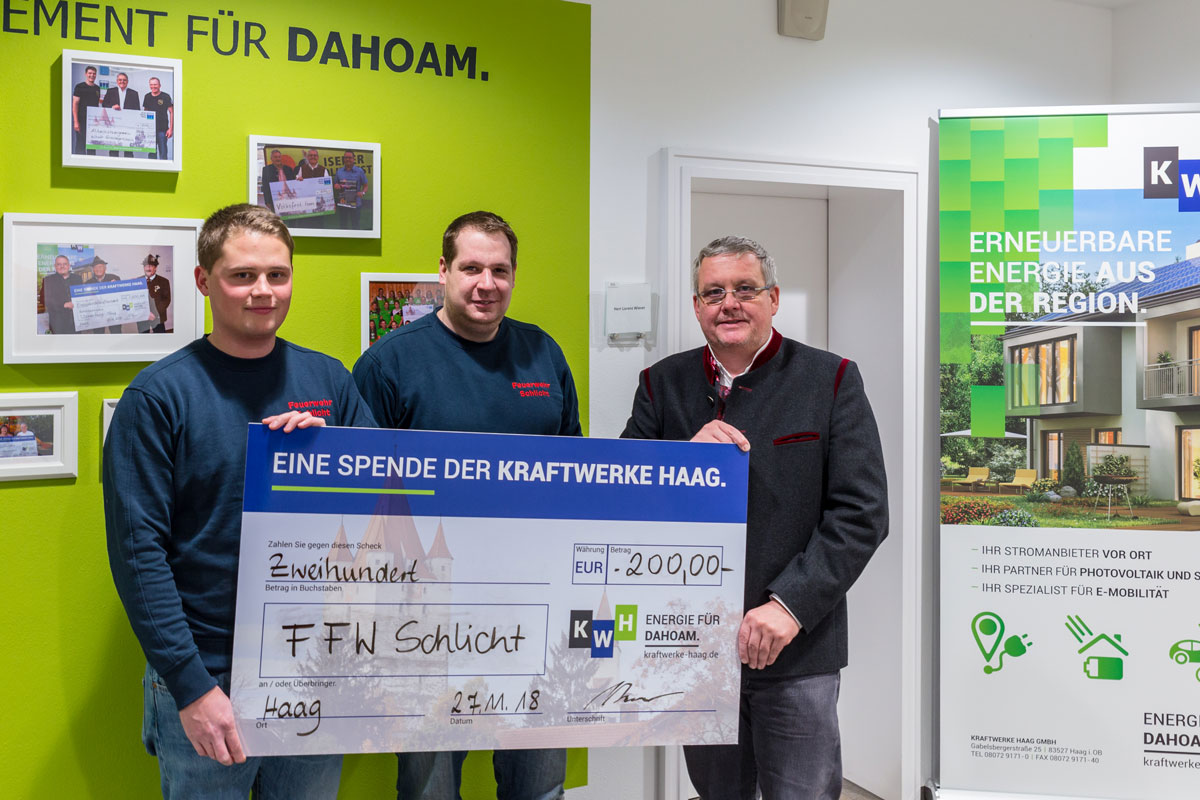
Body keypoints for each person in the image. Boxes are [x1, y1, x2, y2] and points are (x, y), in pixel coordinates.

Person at [103, 203, 376, 799]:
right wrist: (191, 686)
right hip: (209, 672)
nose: (263, 291)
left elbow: (385, 512)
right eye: (243, 276)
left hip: (314, 662)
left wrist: (331, 457)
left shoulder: (330, 382)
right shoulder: (158, 398)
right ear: (204, 281)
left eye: (278, 275)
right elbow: (138, 555)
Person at [621, 235, 888, 800]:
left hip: (797, 648)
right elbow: (625, 498)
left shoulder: (831, 379)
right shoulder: (660, 385)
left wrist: (789, 606)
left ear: (773, 298)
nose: (729, 304)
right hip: (694, 647)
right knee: (718, 792)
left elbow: (862, 512)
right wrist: (682, 460)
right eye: (713, 292)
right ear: (697, 306)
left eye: (745, 289)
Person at [353, 210, 578, 800]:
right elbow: (362, 499)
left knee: (540, 787)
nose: (486, 283)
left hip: (533, 609)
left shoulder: (543, 354)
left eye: (500, 270)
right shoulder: (389, 363)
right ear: (443, 271)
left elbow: (574, 473)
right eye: (472, 267)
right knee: (431, 789)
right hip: (427, 616)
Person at [101, 72, 140, 158]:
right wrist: (112, 107)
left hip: (128, 125)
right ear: (117, 81)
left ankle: (128, 165)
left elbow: (137, 110)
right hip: (114, 125)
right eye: (120, 80)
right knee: (114, 149)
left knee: (128, 150)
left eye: (124, 80)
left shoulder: (134, 93)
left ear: (127, 81)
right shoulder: (110, 91)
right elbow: (104, 105)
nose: (122, 81)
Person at [42, 254, 81, 335]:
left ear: (69, 265)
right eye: (59, 264)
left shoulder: (78, 278)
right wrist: (63, 305)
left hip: (76, 322)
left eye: (65, 264)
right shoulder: (48, 280)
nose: (62, 266)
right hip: (57, 324)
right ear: (55, 266)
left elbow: (84, 295)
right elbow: (43, 299)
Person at [85, 256, 124, 333]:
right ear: (93, 269)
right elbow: (86, 300)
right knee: (98, 334)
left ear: (105, 268)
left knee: (116, 332)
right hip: (97, 314)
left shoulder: (115, 278)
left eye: (100, 267)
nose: (98, 269)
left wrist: (116, 286)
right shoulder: (88, 283)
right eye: (95, 267)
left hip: (113, 313)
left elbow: (121, 294)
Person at [333, 150, 368, 229]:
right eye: (346, 157)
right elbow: (335, 184)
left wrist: (363, 193)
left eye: (350, 157)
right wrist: (336, 186)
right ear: (343, 159)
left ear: (354, 159)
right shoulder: (339, 171)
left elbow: (366, 186)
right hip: (343, 203)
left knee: (355, 226)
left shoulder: (360, 171)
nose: (348, 159)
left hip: (356, 204)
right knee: (343, 226)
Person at [71, 64, 101, 155]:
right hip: (81, 120)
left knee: (92, 145)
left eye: (94, 73)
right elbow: (75, 104)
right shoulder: (79, 87)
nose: (92, 75)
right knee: (80, 144)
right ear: (86, 74)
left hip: (93, 122)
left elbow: (96, 105)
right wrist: (76, 121)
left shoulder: (97, 88)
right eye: (90, 73)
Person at [142, 77, 174, 160]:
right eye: (151, 84)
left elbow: (172, 112)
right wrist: (144, 129)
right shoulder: (147, 97)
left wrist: (171, 129)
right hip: (150, 130)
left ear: (160, 85)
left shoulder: (166, 96)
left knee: (163, 154)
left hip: (162, 130)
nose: (153, 86)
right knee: (151, 154)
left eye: (155, 84)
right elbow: (145, 113)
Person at [139, 254, 171, 334]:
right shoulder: (137, 281)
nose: (148, 268)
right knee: (142, 338)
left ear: (155, 268)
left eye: (151, 266)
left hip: (158, 317)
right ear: (144, 268)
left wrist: (155, 313)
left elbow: (166, 300)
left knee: (160, 338)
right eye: (146, 266)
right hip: (142, 317)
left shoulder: (164, 281)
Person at [260, 149, 296, 213]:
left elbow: (294, 183)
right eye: (275, 157)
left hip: (289, 198)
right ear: (271, 159)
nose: (278, 159)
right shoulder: (266, 170)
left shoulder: (288, 169)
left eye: (279, 157)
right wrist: (267, 201)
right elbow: (265, 187)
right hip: (275, 199)